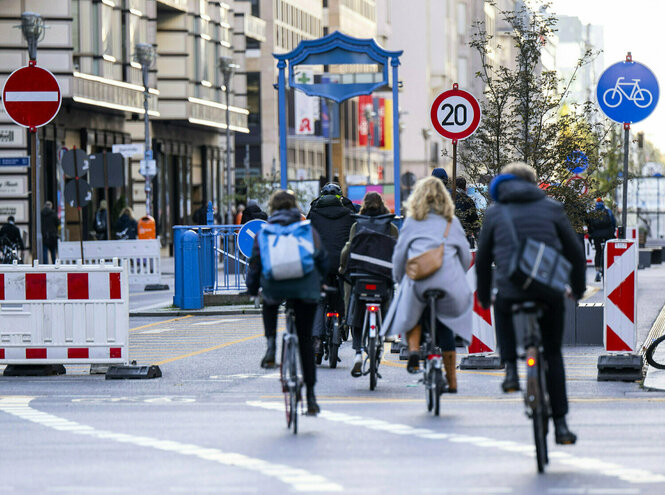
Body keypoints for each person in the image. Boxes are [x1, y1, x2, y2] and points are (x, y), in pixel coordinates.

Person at [475, 162, 586, 445]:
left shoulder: (494, 212)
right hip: (549, 291)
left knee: (502, 304)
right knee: (552, 354)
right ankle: (561, 425)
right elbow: (575, 252)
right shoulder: (552, 208)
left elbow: (484, 259)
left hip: (512, 289)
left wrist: (485, 296)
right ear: (533, 183)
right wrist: (578, 288)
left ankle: (510, 369)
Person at [382, 177, 473, 394]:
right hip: (448, 283)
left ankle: (413, 350)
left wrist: (399, 278)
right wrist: (457, 274)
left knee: (410, 308)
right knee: (447, 324)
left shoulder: (412, 222)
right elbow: (465, 255)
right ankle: (451, 380)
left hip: (419, 281)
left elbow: (400, 256)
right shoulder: (452, 222)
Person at [246, 190, 327, 415]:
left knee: (269, 302)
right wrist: (321, 283)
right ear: (294, 207)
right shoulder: (307, 229)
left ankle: (271, 346)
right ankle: (310, 397)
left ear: (272, 208)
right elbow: (321, 258)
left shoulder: (265, 232)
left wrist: (253, 290)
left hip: (275, 286)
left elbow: (255, 264)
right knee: (304, 343)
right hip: (305, 287)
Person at [339, 191, 399, 377]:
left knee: (356, 307)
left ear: (364, 205)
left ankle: (358, 353)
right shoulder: (390, 226)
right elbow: (397, 251)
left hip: (361, 276)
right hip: (382, 277)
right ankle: (388, 328)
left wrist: (342, 267)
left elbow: (348, 248)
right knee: (388, 296)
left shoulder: (358, 225)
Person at [307, 183, 355, 362]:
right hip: (342, 263)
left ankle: (317, 340)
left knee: (319, 299)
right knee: (344, 293)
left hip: (320, 264)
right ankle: (343, 324)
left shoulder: (314, 213)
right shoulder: (349, 213)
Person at [587, 198, 616, 282]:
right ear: (603, 203)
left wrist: (591, 234)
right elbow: (613, 223)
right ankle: (608, 270)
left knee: (598, 252)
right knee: (607, 252)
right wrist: (612, 233)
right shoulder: (608, 211)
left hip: (596, 235)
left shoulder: (592, 213)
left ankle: (597, 272)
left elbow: (589, 225)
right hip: (607, 235)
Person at [455, 177, 481, 247]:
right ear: (465, 188)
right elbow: (475, 222)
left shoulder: (449, 198)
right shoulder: (468, 201)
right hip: (465, 237)